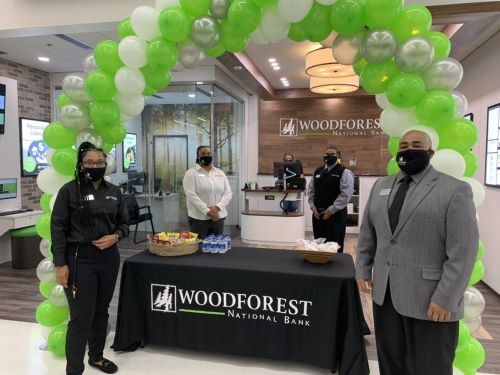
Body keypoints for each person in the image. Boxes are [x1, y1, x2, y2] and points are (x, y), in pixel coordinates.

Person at [355, 130, 478, 375]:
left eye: (416, 145)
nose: (408, 149)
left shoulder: (454, 190)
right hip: (385, 295)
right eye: (403, 145)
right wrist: (362, 268)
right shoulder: (381, 186)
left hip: (431, 300)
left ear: (430, 153)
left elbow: (463, 251)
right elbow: (369, 232)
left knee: (430, 367)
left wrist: (446, 297)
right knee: (390, 363)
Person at [51, 142, 129, 375]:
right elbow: (58, 228)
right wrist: (60, 264)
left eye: (100, 163)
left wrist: (115, 237)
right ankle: (74, 370)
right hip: (79, 260)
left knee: (101, 311)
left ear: (106, 165)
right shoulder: (69, 191)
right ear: (81, 165)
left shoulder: (114, 192)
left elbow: (124, 223)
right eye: (90, 163)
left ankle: (96, 357)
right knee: (81, 318)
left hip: (108, 259)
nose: (95, 166)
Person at [307, 145, 354, 252]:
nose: (329, 156)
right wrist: (312, 206)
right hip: (318, 214)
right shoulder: (318, 171)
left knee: (334, 246)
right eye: (327, 154)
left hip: (335, 215)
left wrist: (331, 210)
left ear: (338, 156)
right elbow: (310, 190)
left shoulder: (344, 172)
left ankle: (335, 268)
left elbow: (346, 194)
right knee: (318, 244)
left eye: (332, 154)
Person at [183, 145, 233, 239]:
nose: (206, 156)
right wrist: (207, 211)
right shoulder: (191, 173)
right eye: (203, 154)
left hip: (218, 217)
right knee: (199, 248)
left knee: (216, 247)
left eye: (209, 154)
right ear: (198, 156)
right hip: (199, 219)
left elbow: (228, 193)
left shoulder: (220, 173)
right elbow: (191, 195)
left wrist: (217, 208)